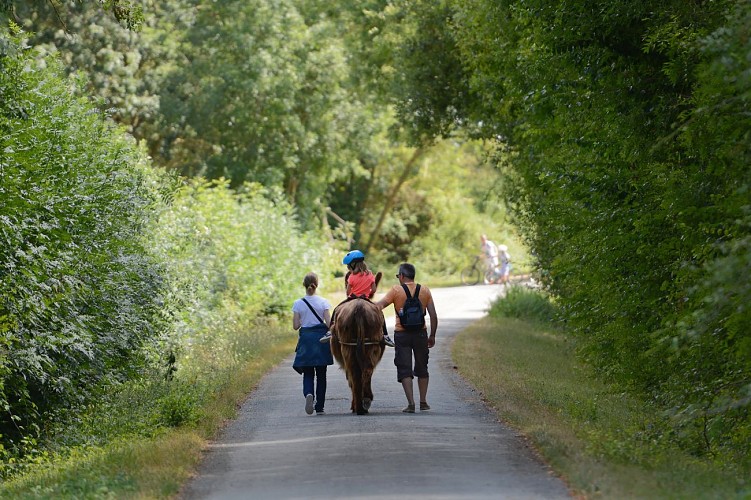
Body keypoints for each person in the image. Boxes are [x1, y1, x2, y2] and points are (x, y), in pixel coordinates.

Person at [376, 263, 438, 413]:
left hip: (402, 334)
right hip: (421, 334)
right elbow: (433, 316)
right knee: (422, 367)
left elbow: (379, 306)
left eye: (399, 276)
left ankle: (411, 404)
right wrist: (432, 335)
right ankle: (423, 402)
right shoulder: (425, 290)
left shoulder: (396, 291)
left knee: (405, 368)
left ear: (402, 276)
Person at [320, 250, 395, 347]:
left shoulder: (351, 277)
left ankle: (330, 331)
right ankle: (385, 335)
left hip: (352, 298)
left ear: (354, 264)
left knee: (336, 310)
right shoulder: (370, 275)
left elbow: (348, 292)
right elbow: (374, 289)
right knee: (380, 313)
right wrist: (368, 292)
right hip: (366, 299)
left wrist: (353, 292)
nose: (348, 267)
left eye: (349, 265)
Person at [292, 272, 333, 415]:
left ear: (304, 285)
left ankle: (309, 394)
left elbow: (296, 326)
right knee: (322, 375)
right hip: (321, 340)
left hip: (306, 340)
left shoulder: (298, 303)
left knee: (308, 372)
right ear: (317, 284)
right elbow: (329, 324)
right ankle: (320, 406)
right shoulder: (323, 302)